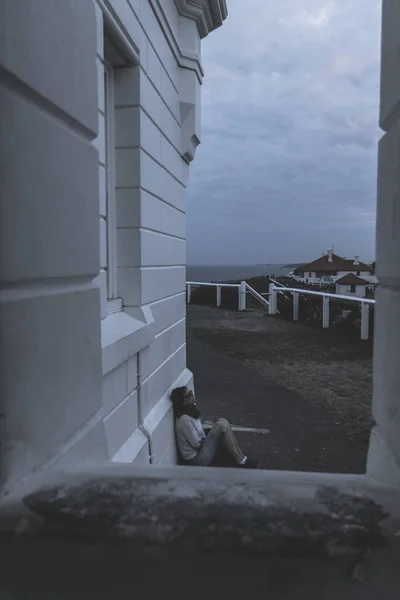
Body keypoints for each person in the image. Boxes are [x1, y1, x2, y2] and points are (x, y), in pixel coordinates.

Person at [171, 386, 260, 469]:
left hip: (201, 449)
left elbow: (200, 433)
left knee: (223, 421)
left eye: (191, 392)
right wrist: (212, 439)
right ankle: (240, 460)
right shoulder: (184, 420)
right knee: (221, 426)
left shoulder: (190, 412)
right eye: (189, 394)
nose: (192, 394)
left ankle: (242, 457)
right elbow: (196, 444)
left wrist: (211, 437)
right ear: (184, 402)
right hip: (197, 459)